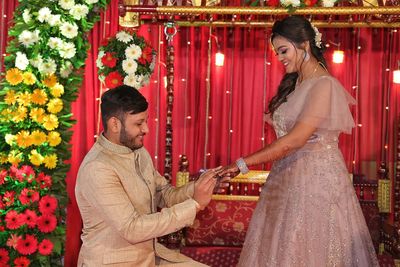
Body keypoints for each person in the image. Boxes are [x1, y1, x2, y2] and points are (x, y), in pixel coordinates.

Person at [219, 16, 379, 266]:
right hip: (285, 182)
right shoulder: (297, 85)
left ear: (304, 45)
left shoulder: (323, 85)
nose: (280, 57)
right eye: (277, 52)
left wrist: (241, 164)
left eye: (284, 50)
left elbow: (294, 140)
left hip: (314, 186)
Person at [75, 85, 222, 266]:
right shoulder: (98, 168)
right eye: (138, 123)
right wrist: (195, 205)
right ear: (114, 124)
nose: (146, 129)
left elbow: (164, 194)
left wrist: (200, 186)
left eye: (145, 121)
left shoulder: (138, 152)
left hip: (148, 256)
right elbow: (132, 229)